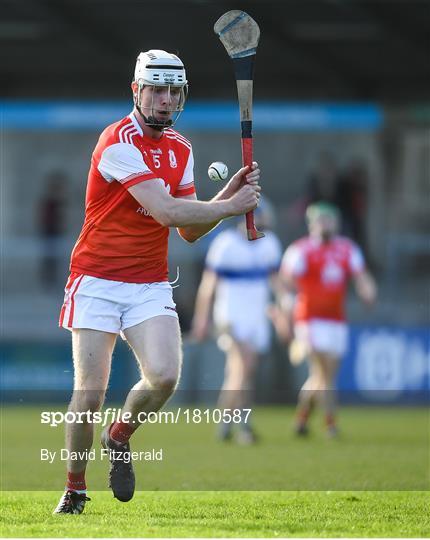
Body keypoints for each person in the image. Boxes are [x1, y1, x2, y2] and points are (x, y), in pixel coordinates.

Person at [54, 49, 261, 514]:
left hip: (148, 282)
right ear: (136, 90)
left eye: (175, 91)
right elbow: (167, 212)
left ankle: (119, 435)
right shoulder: (117, 142)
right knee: (89, 394)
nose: (166, 100)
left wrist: (230, 192)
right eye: (157, 89)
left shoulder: (180, 148)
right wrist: (230, 207)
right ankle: (74, 489)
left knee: (165, 376)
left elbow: (188, 230)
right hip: (97, 279)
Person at [270, 202, 376, 437]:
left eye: (329, 220)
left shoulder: (347, 249)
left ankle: (302, 418)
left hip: (336, 320)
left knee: (322, 376)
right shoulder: (301, 250)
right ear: (312, 224)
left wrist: (368, 291)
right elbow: (284, 284)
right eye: (321, 220)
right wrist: (284, 315)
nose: (325, 224)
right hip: (309, 319)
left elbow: (361, 277)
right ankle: (331, 424)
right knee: (324, 370)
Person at [191, 200, 282, 444]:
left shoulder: (269, 244)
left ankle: (227, 423)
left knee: (241, 371)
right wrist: (202, 319)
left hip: (256, 317)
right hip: (230, 316)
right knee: (245, 364)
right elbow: (208, 286)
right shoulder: (225, 244)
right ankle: (243, 426)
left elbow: (278, 285)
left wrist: (283, 314)